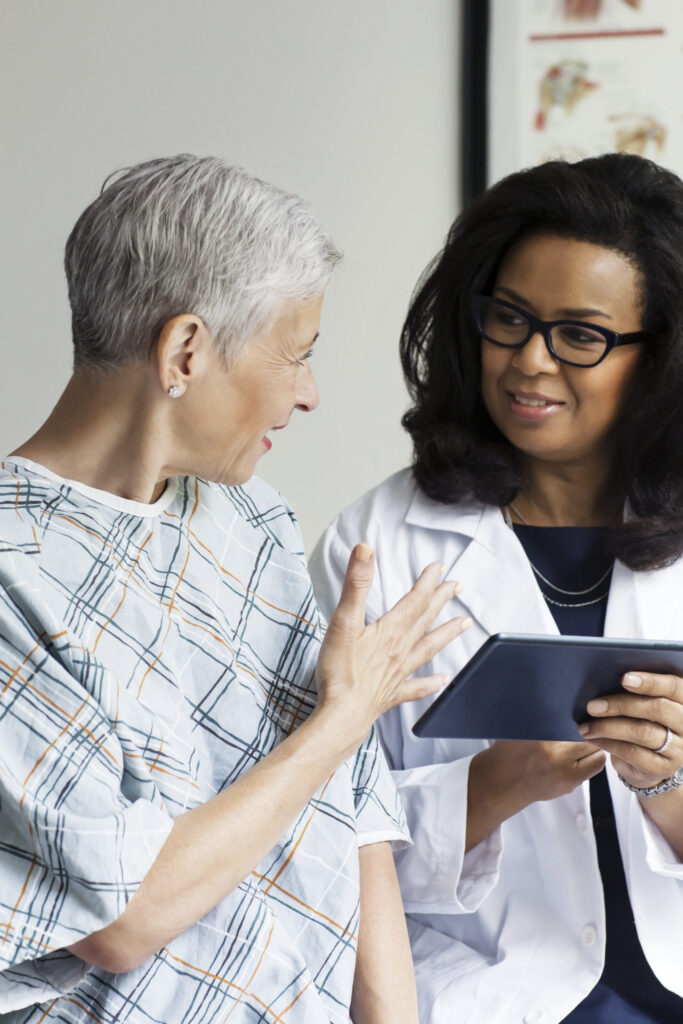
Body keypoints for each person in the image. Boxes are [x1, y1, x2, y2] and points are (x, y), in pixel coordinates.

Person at [0, 155, 472, 1024]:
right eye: (295, 355)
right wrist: (342, 717)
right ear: (184, 350)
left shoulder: (251, 522)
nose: (308, 394)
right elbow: (123, 914)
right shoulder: (12, 571)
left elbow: (352, 820)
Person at [310, 153, 683, 1023]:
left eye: (579, 336)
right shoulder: (377, 544)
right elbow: (311, 847)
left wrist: (666, 785)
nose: (528, 363)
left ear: (660, 354)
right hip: (485, 995)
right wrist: (497, 783)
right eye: (508, 319)